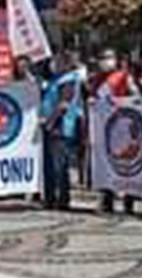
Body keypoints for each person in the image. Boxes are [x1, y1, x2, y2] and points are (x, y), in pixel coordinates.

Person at [87, 49, 131, 212]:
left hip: (120, 126)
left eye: (108, 58)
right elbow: (93, 97)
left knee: (124, 164)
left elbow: (135, 96)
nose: (104, 61)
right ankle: (107, 198)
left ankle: (128, 201)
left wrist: (119, 102)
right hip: (101, 127)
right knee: (104, 164)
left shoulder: (123, 77)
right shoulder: (97, 79)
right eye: (102, 58)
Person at [41, 48, 83, 211]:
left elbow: (63, 104)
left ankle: (62, 199)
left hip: (60, 127)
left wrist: (50, 122)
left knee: (59, 166)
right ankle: (50, 199)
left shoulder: (69, 80)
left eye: (58, 62)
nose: (54, 65)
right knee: (50, 166)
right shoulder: (55, 79)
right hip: (50, 127)